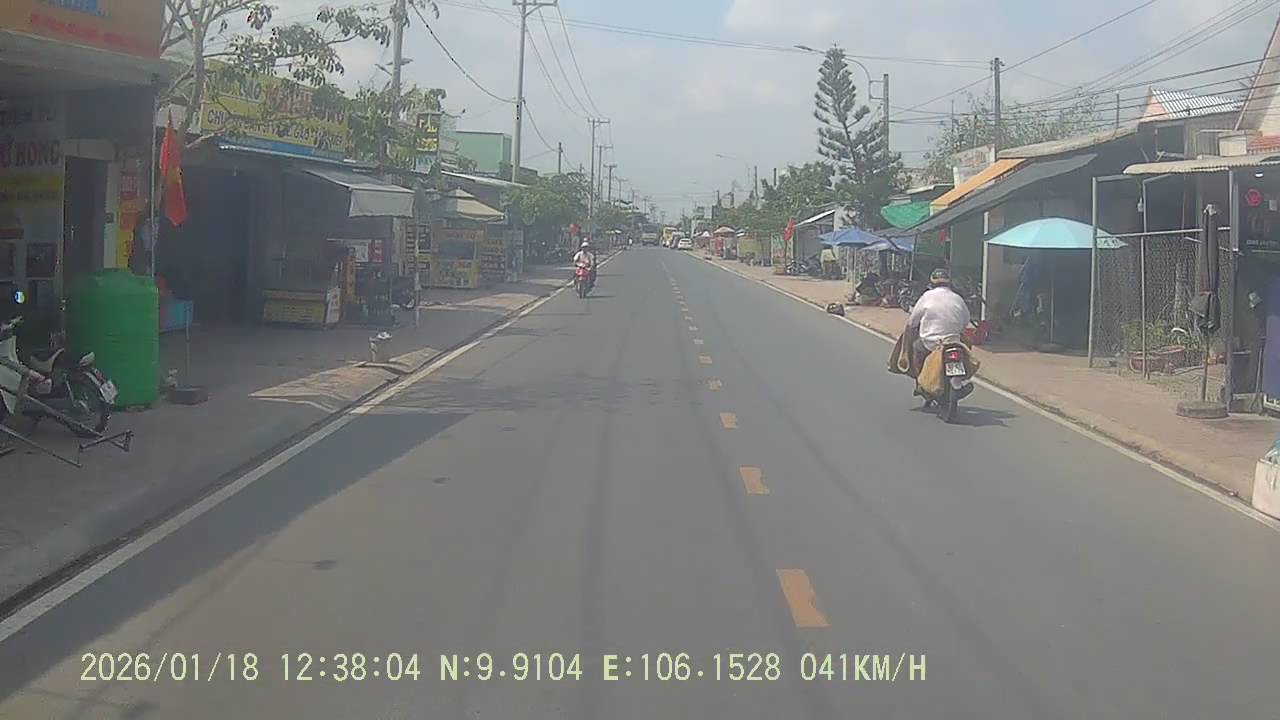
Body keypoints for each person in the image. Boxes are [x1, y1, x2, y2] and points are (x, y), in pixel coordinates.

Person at [907, 268, 971, 367]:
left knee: (917, 348)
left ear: (932, 284)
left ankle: (920, 375)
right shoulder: (958, 298)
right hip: (954, 343)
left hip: (930, 344)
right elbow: (966, 321)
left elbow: (912, 322)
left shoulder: (926, 297)